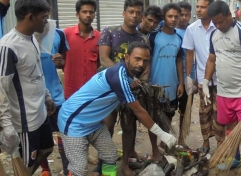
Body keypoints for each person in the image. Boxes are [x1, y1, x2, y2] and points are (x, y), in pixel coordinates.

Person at [58, 42, 177, 176]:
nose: (141, 64)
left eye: (145, 61)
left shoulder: (127, 75)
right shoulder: (118, 76)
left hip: (93, 123)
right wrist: (162, 134)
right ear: (126, 57)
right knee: (79, 169)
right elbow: (138, 110)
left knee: (110, 156)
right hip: (74, 121)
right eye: (137, 59)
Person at [0, 0, 56, 175]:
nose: (46, 22)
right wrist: (7, 126)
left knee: (47, 149)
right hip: (24, 123)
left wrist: (47, 96)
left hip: (39, 113)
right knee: (25, 166)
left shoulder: (32, 37)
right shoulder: (8, 47)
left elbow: (36, 71)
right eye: (44, 18)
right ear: (30, 17)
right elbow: (1, 89)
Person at [204, 0, 241, 169]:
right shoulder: (214, 34)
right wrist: (206, 81)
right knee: (230, 126)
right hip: (223, 92)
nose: (218, 25)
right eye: (215, 22)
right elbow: (212, 59)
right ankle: (235, 158)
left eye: (221, 21)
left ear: (229, 15)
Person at [97, 0, 149, 176]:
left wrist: (141, 80)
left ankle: (125, 163)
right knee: (108, 126)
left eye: (138, 13)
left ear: (142, 16)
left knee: (129, 127)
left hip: (132, 89)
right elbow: (104, 59)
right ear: (124, 13)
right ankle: (103, 162)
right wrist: (126, 78)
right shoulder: (110, 32)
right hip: (109, 88)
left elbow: (145, 64)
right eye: (131, 12)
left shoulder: (142, 37)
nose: (134, 16)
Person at [182, 0, 225, 154]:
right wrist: (188, 77)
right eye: (198, 6)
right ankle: (206, 143)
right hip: (201, 79)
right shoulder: (192, 29)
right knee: (204, 112)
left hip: (221, 79)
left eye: (203, 7)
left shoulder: (220, 27)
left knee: (220, 113)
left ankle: (221, 144)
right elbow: (189, 54)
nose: (199, 10)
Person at [33, 0, 70, 176]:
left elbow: (64, 63)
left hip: (56, 94)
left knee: (63, 133)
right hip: (34, 97)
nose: (46, 15)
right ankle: (45, 169)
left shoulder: (59, 34)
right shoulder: (25, 35)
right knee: (40, 138)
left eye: (48, 10)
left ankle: (66, 169)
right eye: (42, 12)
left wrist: (60, 62)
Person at [149, 3, 184, 148]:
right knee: (152, 119)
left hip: (171, 85)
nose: (173, 19)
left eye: (176, 16)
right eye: (170, 16)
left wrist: (181, 82)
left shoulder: (178, 38)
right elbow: (147, 59)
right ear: (164, 17)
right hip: (154, 85)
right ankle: (154, 149)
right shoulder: (154, 36)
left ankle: (163, 145)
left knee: (168, 116)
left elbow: (178, 61)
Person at [63, 0, 100, 100]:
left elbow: (100, 62)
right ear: (77, 14)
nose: (88, 15)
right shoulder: (66, 34)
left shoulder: (99, 37)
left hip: (92, 89)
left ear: (94, 15)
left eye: (91, 12)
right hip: (71, 90)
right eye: (84, 12)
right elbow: (61, 61)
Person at [175, 1, 196, 146]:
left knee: (185, 110)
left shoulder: (193, 30)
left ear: (190, 15)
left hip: (189, 76)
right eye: (180, 14)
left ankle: (181, 139)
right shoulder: (170, 31)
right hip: (172, 77)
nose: (183, 17)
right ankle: (165, 141)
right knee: (168, 110)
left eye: (186, 15)